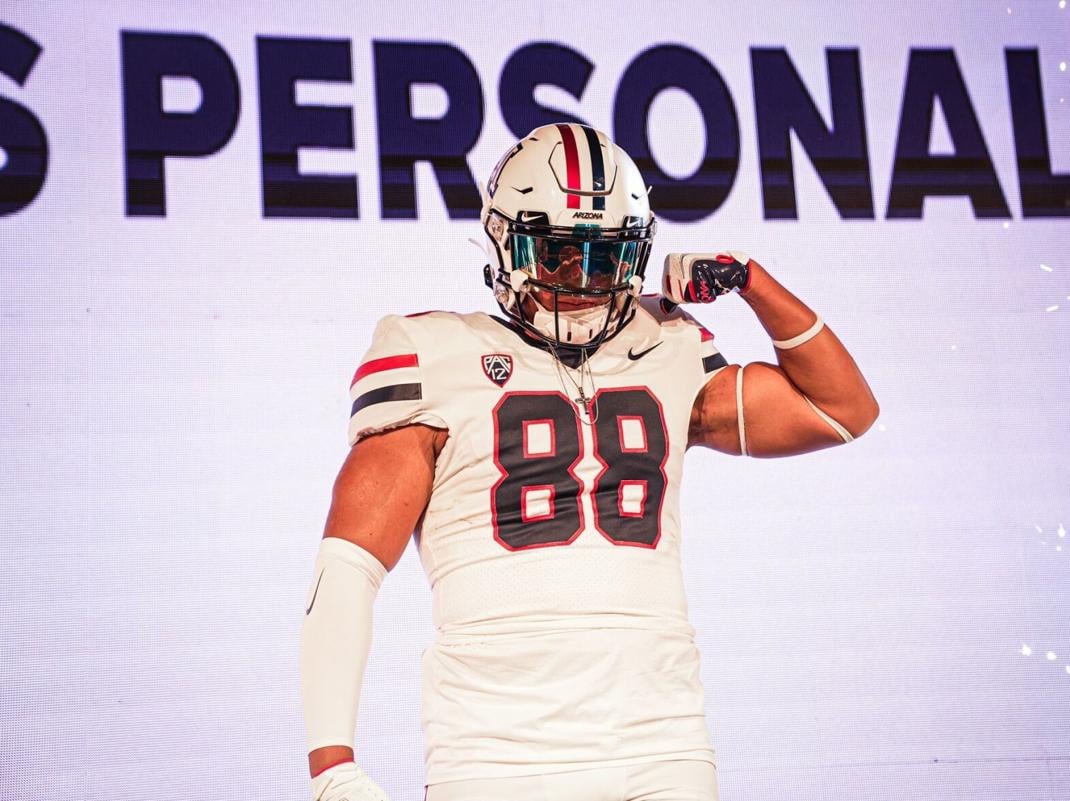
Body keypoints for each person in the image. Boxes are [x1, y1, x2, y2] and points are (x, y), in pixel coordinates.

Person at [300, 123, 879, 801]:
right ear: (504, 240)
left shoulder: (667, 344)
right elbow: (347, 568)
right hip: (496, 756)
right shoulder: (432, 351)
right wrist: (331, 765)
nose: (582, 278)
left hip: (663, 745)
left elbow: (843, 409)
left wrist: (751, 281)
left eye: (604, 257)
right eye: (557, 253)